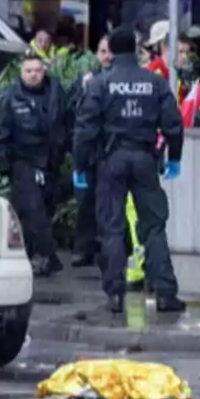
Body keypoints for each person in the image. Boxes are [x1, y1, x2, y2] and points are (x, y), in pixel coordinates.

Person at [74, 27, 186, 314]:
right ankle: (165, 293)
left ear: (110, 49)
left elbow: (85, 130)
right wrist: (174, 157)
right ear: (136, 49)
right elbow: (173, 124)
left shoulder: (100, 84)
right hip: (145, 158)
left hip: (110, 160)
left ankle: (114, 294)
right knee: (153, 226)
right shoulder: (155, 82)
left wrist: (80, 166)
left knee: (111, 227)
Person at [0, 53, 66, 277]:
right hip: (23, 161)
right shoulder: (11, 97)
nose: (33, 75)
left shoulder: (56, 93)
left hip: (50, 162)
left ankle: (29, 254)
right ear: (21, 73)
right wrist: (3, 163)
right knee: (33, 210)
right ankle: (49, 255)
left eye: (37, 71)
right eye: (29, 71)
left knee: (42, 210)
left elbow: (66, 123)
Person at [71, 35, 114, 268]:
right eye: (103, 51)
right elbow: (75, 116)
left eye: (110, 51)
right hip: (90, 152)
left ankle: (107, 250)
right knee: (85, 203)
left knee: (109, 205)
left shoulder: (119, 81)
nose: (107, 56)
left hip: (111, 153)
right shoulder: (88, 81)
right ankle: (84, 248)